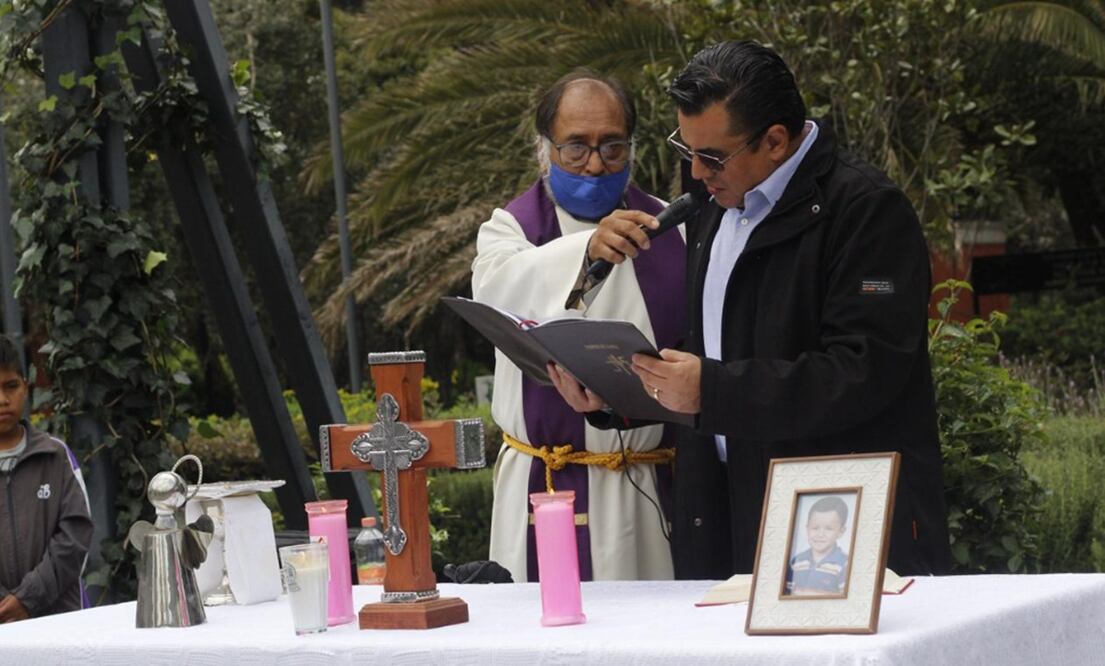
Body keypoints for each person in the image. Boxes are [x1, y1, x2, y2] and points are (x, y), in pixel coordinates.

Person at [550, 41, 952, 579]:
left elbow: (863, 371)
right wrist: (620, 392)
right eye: (685, 149)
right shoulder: (714, 206)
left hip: (827, 520)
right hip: (718, 516)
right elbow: (712, 349)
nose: (694, 172)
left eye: (712, 156)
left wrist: (710, 389)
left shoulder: (867, 212)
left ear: (776, 141)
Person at [471, 69, 686, 582]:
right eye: (575, 147)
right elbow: (496, 292)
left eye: (612, 146)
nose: (594, 164)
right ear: (544, 148)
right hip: (546, 484)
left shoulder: (674, 228)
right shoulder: (511, 229)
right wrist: (585, 251)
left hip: (652, 483)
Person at [0, 335, 93, 621]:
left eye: (11, 386)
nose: (2, 400)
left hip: (61, 624)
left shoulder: (56, 454)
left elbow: (76, 537)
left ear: (25, 388)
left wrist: (28, 599)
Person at [785, 496, 851, 596]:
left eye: (829, 528)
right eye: (815, 528)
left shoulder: (845, 564)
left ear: (841, 531)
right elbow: (786, 595)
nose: (820, 534)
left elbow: (848, 602)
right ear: (807, 528)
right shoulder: (796, 562)